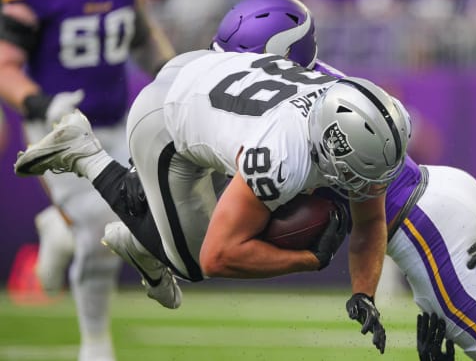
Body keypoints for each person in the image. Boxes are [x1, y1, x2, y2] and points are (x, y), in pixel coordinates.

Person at [200, 0, 476, 358]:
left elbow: (220, 249)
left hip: (419, 226)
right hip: (443, 187)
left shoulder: (279, 116)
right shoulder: (323, 76)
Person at [14, 49, 412, 354]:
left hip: (203, 72)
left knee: (220, 226)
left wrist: (364, 292)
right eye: (357, 173)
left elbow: (371, 222)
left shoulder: (345, 121)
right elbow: (218, 256)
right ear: (331, 145)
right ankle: (85, 152)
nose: (365, 186)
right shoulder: (280, 156)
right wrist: (308, 260)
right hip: (166, 118)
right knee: (191, 263)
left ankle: (147, 234)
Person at [0, 0, 175, 360]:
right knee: (100, 226)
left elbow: (142, 35)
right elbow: (6, 64)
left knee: (149, 213)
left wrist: (174, 74)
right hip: (58, 127)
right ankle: (95, 346)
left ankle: (60, 230)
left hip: (116, 124)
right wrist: (42, 105)